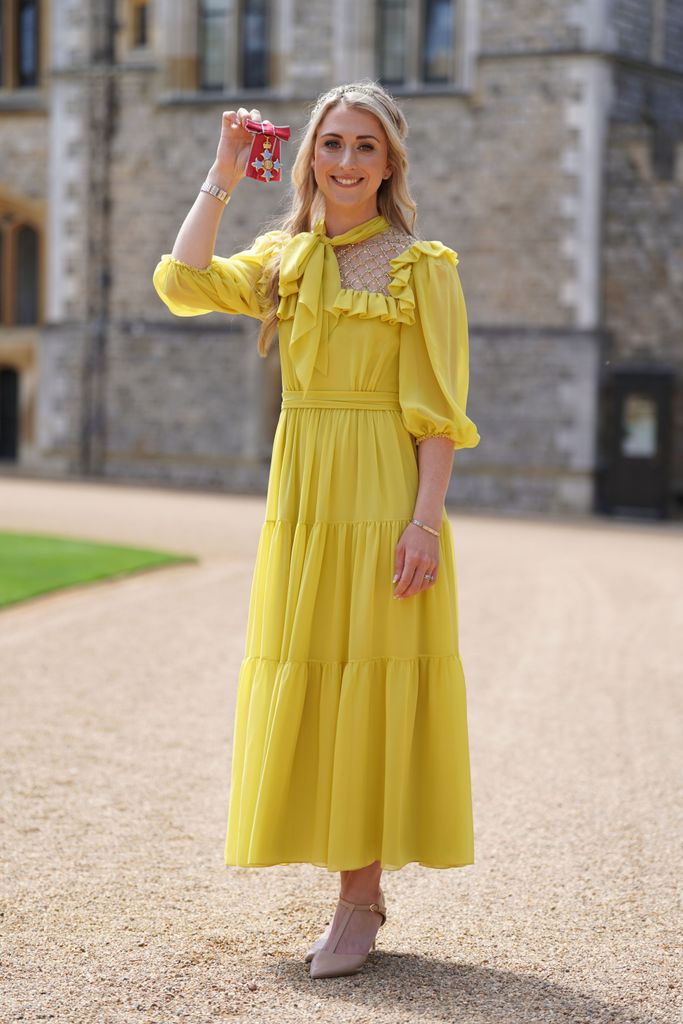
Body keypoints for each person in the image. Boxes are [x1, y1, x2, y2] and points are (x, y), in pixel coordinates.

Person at [152, 80, 481, 980]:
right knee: (315, 678)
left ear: (389, 166)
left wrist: (425, 525)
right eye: (331, 143)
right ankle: (351, 890)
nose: (345, 161)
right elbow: (182, 281)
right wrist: (220, 174)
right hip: (301, 500)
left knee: (365, 686)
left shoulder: (423, 268)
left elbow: (439, 417)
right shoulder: (283, 258)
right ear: (309, 157)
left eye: (364, 148)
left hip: (381, 499)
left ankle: (356, 902)